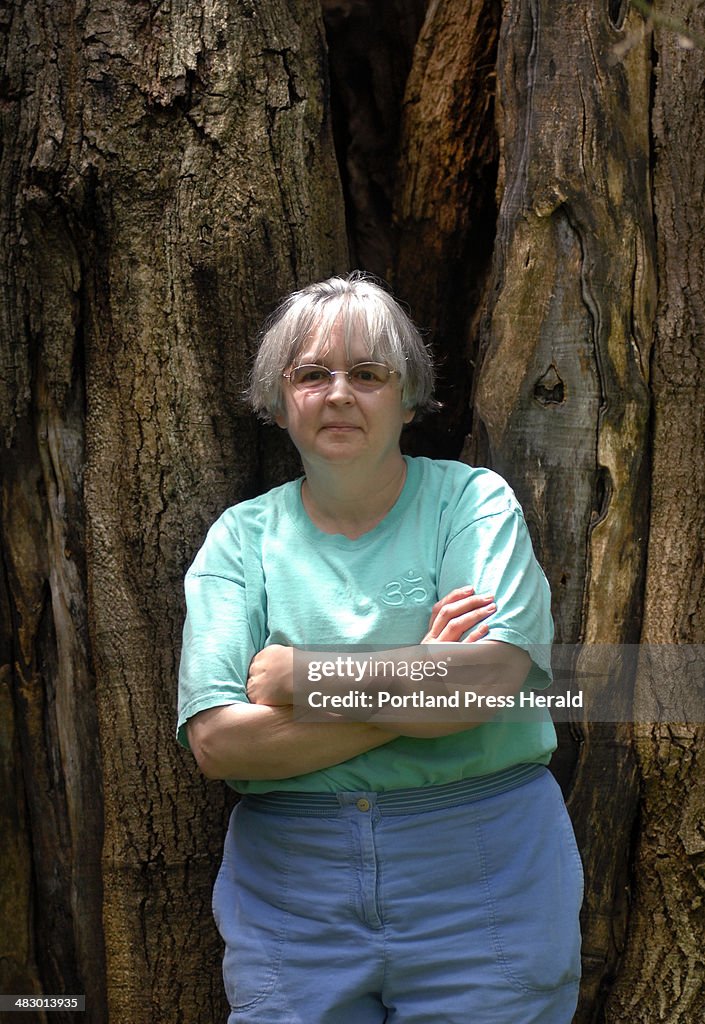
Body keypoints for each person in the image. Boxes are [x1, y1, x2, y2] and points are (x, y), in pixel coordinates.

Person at [177, 273, 583, 1024]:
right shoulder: (240, 540)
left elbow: (487, 679)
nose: (338, 394)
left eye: (367, 374)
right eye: (311, 375)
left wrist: (304, 678)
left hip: (482, 867)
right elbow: (219, 745)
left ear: (409, 396)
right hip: (293, 887)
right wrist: (423, 682)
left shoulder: (471, 503)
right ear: (276, 400)